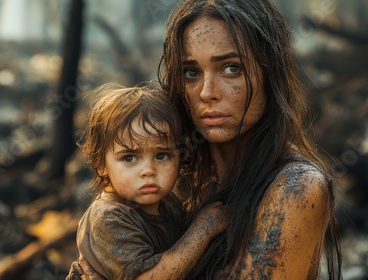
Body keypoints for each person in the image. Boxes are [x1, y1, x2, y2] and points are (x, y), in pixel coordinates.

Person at [68, 0, 343, 279]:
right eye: (191, 72)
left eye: (231, 68)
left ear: (269, 73)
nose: (207, 92)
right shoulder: (171, 178)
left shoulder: (296, 187)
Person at [71, 83, 227, 280]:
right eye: (129, 158)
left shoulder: (168, 204)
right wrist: (205, 228)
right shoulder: (108, 217)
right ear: (101, 164)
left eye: (162, 155)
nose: (148, 171)